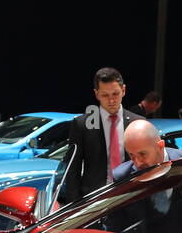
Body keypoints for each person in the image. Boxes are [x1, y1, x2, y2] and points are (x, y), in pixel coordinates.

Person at [57, 67, 145, 206]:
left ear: (123, 90)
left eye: (115, 94)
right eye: (105, 95)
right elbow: (72, 169)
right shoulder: (82, 125)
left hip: (130, 200)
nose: (111, 100)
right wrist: (73, 208)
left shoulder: (138, 123)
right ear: (96, 94)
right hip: (94, 203)